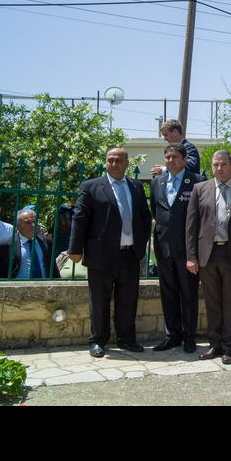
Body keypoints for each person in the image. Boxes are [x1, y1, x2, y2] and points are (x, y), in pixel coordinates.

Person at [67, 147, 152, 358]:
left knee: (128, 300)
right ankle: (98, 341)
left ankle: (126, 339)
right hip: (100, 255)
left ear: (127, 163)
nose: (114, 164)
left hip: (130, 254)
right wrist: (75, 248)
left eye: (118, 160)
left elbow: (144, 216)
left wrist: (140, 244)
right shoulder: (91, 187)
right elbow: (80, 219)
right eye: (110, 160)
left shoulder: (136, 186)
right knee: (99, 301)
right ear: (105, 163)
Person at [185, 149, 231, 364]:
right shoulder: (199, 189)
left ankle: (230, 346)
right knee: (212, 301)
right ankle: (215, 344)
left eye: (223, 164)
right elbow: (191, 226)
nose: (219, 168)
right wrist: (192, 256)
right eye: (215, 165)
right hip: (207, 254)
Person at [150, 143, 205, 353]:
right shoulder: (157, 183)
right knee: (168, 293)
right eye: (167, 157)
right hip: (164, 249)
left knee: (189, 294)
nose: (170, 160)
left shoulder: (197, 182)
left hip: (187, 250)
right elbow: (157, 214)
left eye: (174, 157)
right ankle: (172, 335)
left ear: (184, 160)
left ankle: (189, 337)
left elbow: (201, 216)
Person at [0, 208, 60, 279]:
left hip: (44, 287)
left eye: (34, 221)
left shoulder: (46, 242)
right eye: (28, 222)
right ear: (18, 226)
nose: (33, 225)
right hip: (17, 288)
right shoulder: (5, 245)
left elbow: (53, 267)